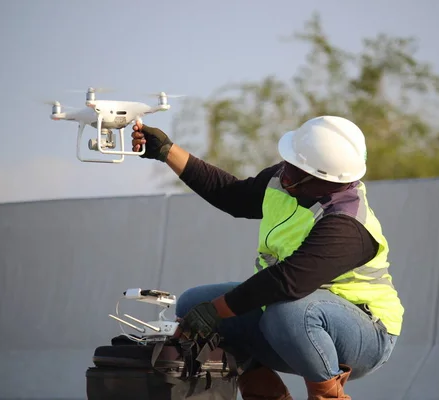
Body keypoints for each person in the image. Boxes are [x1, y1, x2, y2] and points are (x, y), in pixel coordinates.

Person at [131, 115, 404, 400]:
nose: (284, 172)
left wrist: (215, 311)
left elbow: (287, 282)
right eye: (289, 163)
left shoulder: (347, 224)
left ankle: (327, 396)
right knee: (193, 303)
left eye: (295, 171)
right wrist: (166, 151)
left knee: (284, 312)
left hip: (365, 333)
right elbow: (233, 196)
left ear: (323, 180)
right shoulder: (288, 179)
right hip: (294, 317)